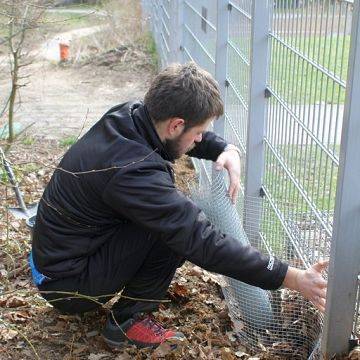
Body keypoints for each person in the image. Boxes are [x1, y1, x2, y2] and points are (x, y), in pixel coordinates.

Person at [30, 62, 327, 349]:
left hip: (55, 260)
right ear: (176, 124)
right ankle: (127, 322)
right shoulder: (133, 170)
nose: (199, 139)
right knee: (175, 232)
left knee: (171, 220)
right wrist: (291, 277)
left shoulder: (130, 116)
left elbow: (180, 137)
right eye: (198, 133)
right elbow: (202, 241)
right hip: (67, 286)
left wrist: (223, 148)